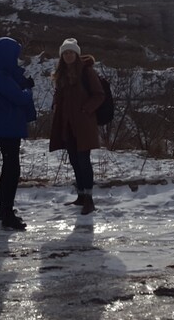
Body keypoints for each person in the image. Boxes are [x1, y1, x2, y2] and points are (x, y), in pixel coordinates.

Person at [48, 38, 109, 215]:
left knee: (83, 161)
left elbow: (99, 95)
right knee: (74, 161)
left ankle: (89, 199)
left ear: (76, 54)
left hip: (83, 124)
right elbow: (60, 94)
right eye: (65, 53)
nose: (68, 55)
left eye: (71, 52)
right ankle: (81, 195)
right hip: (67, 124)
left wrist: (86, 109)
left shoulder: (86, 72)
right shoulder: (61, 74)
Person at [0, 37, 37, 231]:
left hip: (7, 127)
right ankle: (6, 213)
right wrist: (28, 89)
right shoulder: (0, 76)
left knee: (10, 170)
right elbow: (20, 99)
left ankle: (4, 211)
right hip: (7, 128)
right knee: (11, 171)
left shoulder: (0, 74)